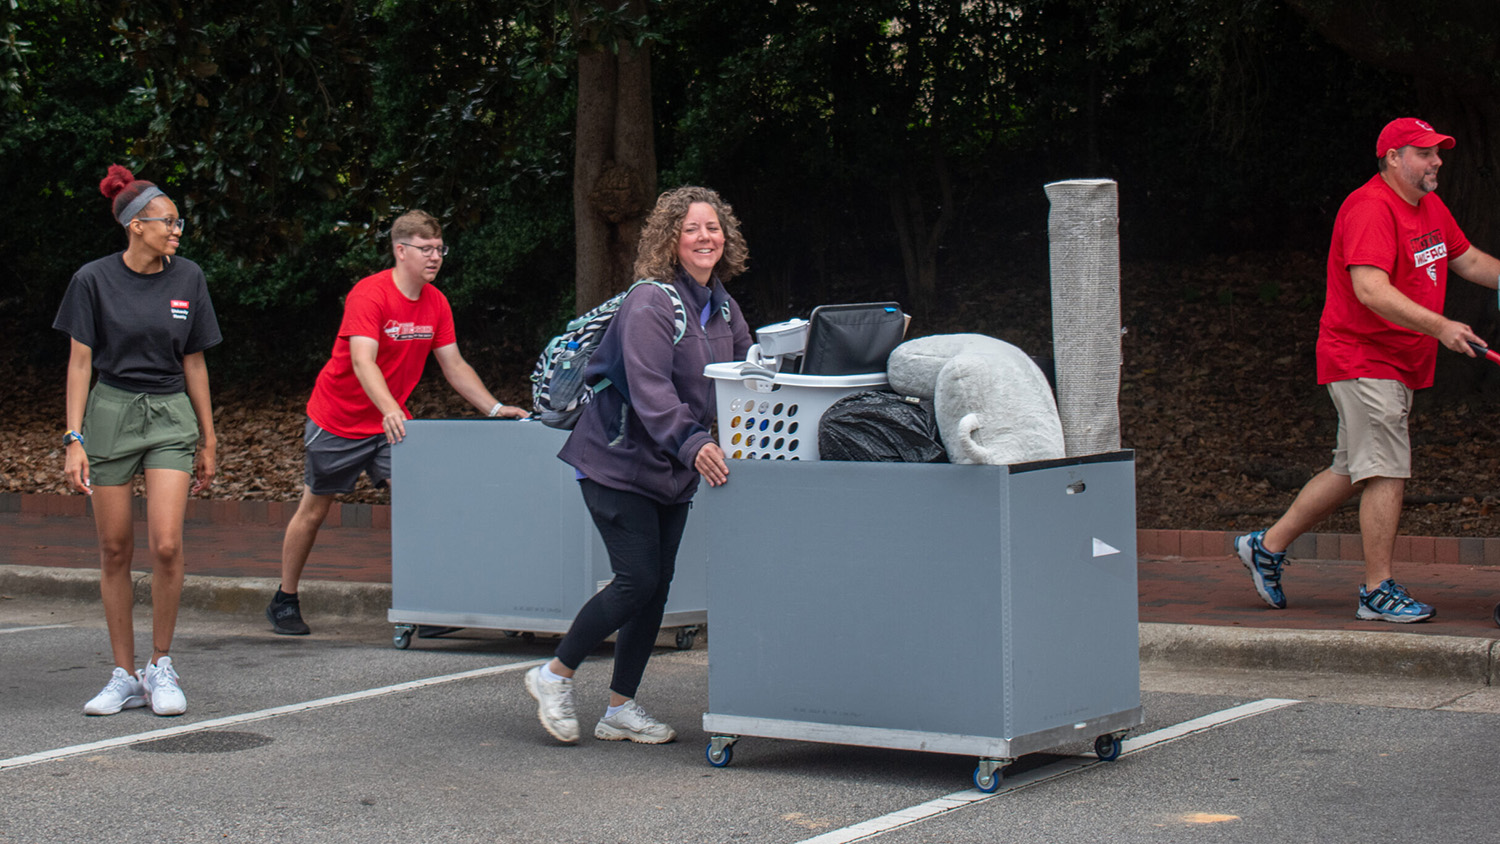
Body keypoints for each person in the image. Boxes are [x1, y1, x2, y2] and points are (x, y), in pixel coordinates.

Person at [1235, 118, 1500, 623]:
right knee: (1385, 468)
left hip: (1398, 360)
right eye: (1424, 153)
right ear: (1393, 158)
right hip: (1362, 356)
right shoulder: (1370, 208)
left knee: (1351, 469)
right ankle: (1377, 591)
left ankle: (1265, 547)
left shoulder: (1429, 206)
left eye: (1438, 152)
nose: (1436, 161)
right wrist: (1441, 325)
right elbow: (1370, 290)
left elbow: (1465, 260)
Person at [524, 186, 753, 744]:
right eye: (692, 228)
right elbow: (650, 390)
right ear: (670, 238)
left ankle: (620, 708)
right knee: (637, 579)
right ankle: (552, 675)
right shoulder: (651, 301)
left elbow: (749, 374)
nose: (705, 237)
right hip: (616, 460)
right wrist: (696, 441)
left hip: (670, 468)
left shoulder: (723, 306)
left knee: (656, 587)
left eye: (713, 228)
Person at [265, 210, 528, 635]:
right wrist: (389, 406)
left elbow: (454, 365)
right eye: (425, 249)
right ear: (400, 250)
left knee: (421, 504)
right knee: (314, 510)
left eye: (439, 248)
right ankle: (285, 599)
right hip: (338, 419)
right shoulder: (369, 295)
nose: (435, 257)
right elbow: (361, 360)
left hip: (392, 426)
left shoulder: (436, 302)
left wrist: (495, 409)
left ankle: (425, 607)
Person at [56, 165, 221, 716]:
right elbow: (80, 363)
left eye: (178, 221)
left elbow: (194, 361)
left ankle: (161, 665)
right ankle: (124, 675)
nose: (177, 229)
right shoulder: (92, 280)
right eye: (168, 220)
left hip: (171, 414)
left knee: (167, 544)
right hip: (110, 412)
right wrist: (74, 437)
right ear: (135, 226)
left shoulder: (189, 278)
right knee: (115, 549)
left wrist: (209, 437)